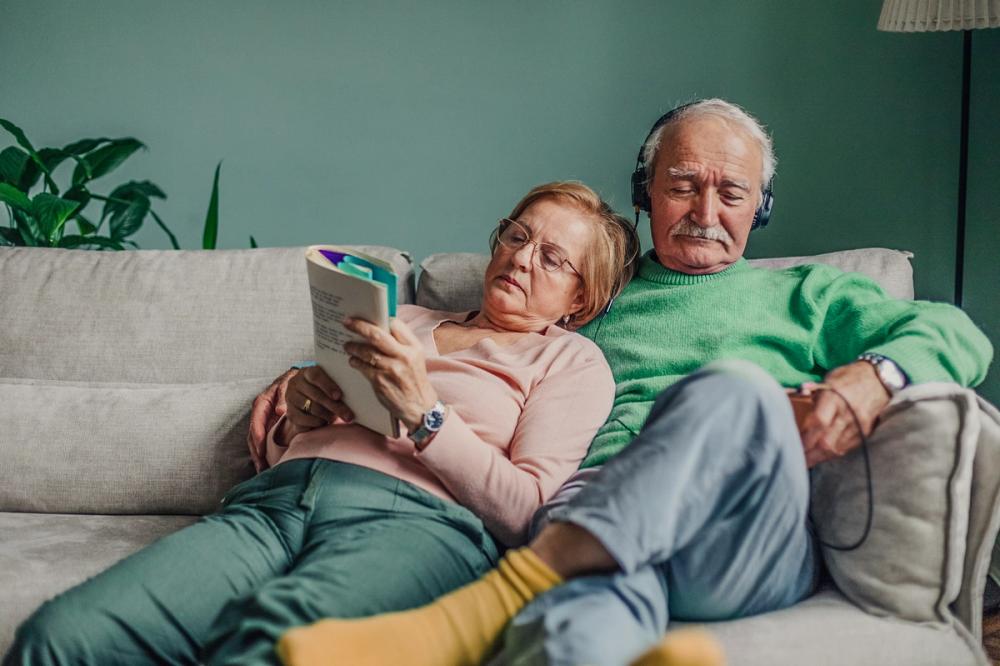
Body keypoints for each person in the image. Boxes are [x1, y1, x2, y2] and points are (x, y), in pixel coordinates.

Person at [265, 99, 993, 666]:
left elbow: (958, 333)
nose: (706, 213)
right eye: (682, 187)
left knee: (734, 389)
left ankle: (484, 608)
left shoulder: (806, 293)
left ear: (761, 208)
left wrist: (873, 377)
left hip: (738, 530)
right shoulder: (586, 292)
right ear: (645, 194)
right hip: (593, 511)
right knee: (567, 640)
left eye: (732, 194)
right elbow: (474, 359)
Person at [3, 181, 641, 666]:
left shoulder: (570, 361)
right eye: (518, 236)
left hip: (415, 525)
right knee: (61, 636)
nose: (523, 258)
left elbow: (528, 511)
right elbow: (282, 436)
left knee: (272, 647)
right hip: (273, 505)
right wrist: (299, 410)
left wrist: (427, 416)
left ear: (580, 300)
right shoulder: (403, 317)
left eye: (553, 258)